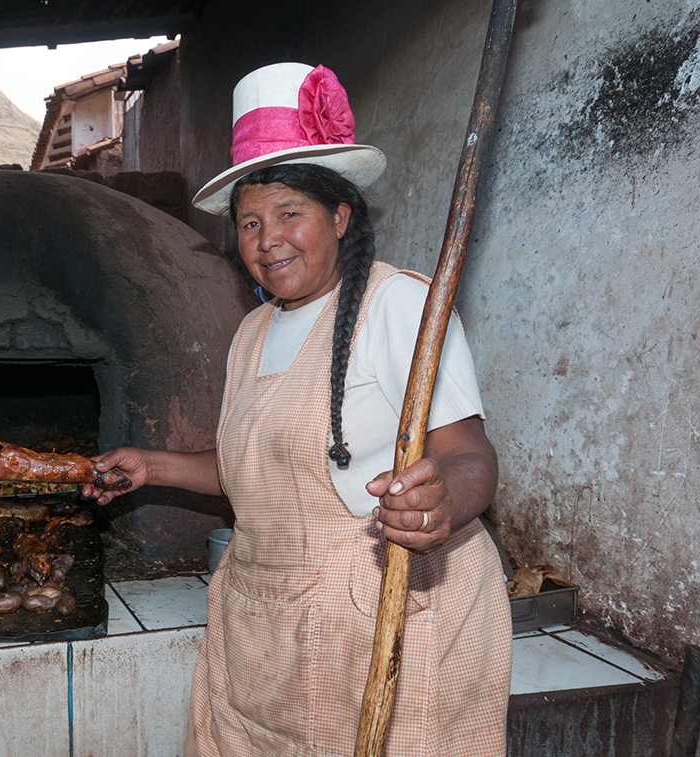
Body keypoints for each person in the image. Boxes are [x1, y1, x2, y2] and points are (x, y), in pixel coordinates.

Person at [83, 62, 511, 756]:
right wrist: (152, 464)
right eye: (249, 222)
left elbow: (470, 456)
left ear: (339, 216)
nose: (267, 238)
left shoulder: (400, 306)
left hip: (381, 613)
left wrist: (441, 505)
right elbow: (256, 477)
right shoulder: (252, 333)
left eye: (289, 213)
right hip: (263, 622)